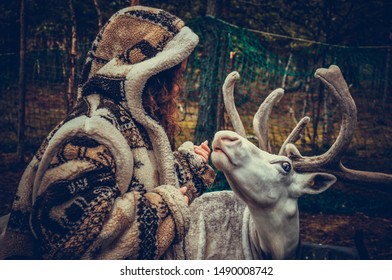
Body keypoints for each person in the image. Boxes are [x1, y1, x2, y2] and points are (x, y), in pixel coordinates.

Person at [0, 6, 215, 260]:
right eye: (172, 75)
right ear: (149, 73)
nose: (178, 86)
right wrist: (166, 206)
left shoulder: (131, 122)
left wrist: (190, 165)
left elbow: (143, 179)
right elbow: (67, 240)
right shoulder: (93, 130)